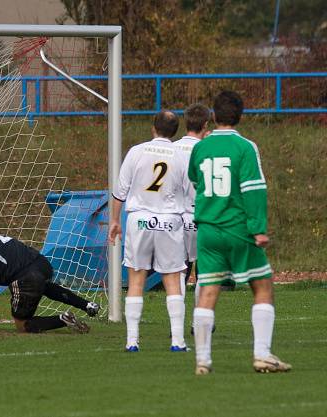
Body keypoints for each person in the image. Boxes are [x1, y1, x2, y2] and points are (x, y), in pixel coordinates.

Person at [188, 91, 291, 374]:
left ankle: (203, 361)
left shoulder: (200, 147)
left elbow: (194, 178)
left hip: (207, 230)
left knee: (208, 290)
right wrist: (258, 229)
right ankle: (262, 354)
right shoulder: (245, 147)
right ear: (240, 116)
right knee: (262, 285)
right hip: (237, 229)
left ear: (213, 116)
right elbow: (254, 189)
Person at [108, 110, 189, 352]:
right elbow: (190, 191)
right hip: (169, 221)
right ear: (175, 131)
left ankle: (132, 341)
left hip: (139, 220)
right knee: (173, 280)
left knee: (136, 279)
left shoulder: (137, 151)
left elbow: (120, 191)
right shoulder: (181, 155)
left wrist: (114, 220)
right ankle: (177, 341)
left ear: (154, 128)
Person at [0, 219, 100, 334]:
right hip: (42, 264)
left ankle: (63, 319)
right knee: (44, 286)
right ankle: (87, 305)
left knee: (22, 324)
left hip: (25, 275)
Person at [174, 103, 211, 302]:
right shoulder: (209, 149)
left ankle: (176, 324)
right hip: (202, 217)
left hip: (177, 218)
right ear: (206, 124)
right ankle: (200, 321)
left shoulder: (171, 149)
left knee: (180, 271)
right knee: (204, 270)